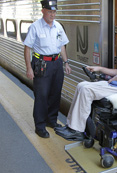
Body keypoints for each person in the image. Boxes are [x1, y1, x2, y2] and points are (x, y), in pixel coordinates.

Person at [55, 26, 117, 141]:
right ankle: (71, 127)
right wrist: (99, 68)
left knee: (87, 90)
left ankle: (77, 131)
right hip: (116, 85)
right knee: (81, 85)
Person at [23, 0, 71, 138]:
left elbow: (62, 45)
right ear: (43, 11)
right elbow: (27, 48)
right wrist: (29, 68)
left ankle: (51, 120)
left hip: (57, 63)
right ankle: (40, 126)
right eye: (50, 11)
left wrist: (66, 62)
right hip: (41, 64)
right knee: (42, 96)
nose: (52, 14)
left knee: (55, 94)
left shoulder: (58, 26)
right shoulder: (35, 27)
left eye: (54, 11)